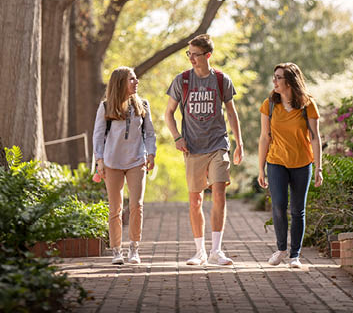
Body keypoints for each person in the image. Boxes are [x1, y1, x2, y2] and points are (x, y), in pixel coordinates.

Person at [165, 34, 243, 266]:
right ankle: (200, 252)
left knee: (219, 192)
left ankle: (216, 251)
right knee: (195, 200)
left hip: (218, 144)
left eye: (195, 55)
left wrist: (239, 143)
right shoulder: (183, 80)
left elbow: (231, 112)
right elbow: (168, 113)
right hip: (193, 147)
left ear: (207, 55)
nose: (191, 58)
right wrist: (177, 137)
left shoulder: (221, 79)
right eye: (189, 54)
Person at [258, 62, 323, 269]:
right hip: (276, 161)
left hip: (302, 163)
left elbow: (315, 138)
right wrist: (261, 168)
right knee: (278, 206)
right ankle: (281, 249)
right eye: (274, 76)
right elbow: (264, 138)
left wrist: (318, 168)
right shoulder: (269, 104)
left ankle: (295, 255)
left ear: (290, 81)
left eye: (279, 77)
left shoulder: (308, 104)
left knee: (297, 210)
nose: (274, 81)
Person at [93, 66, 156, 265]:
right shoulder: (105, 107)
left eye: (136, 79)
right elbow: (98, 135)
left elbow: (150, 133)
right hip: (112, 163)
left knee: (137, 205)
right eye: (132, 79)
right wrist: (100, 161)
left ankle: (134, 249)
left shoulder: (142, 105)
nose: (136, 82)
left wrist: (151, 153)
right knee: (115, 209)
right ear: (121, 82)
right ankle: (117, 251)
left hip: (137, 161)